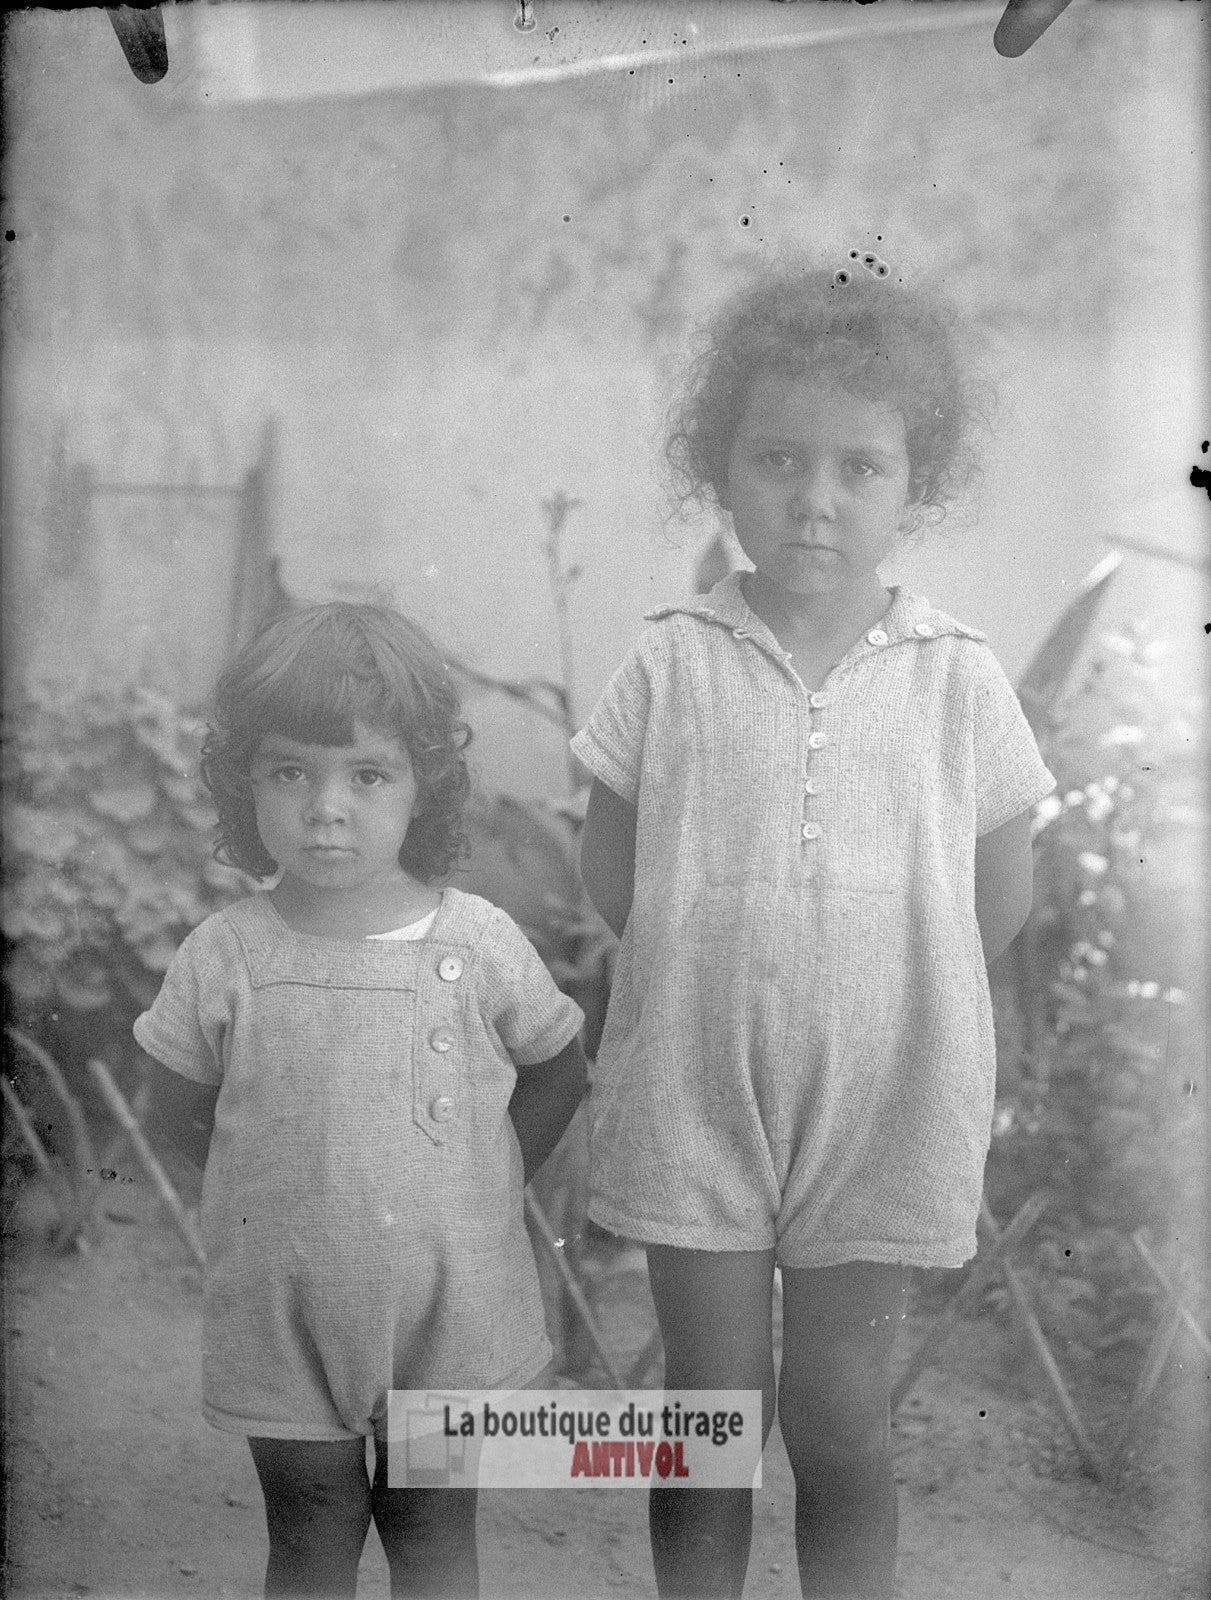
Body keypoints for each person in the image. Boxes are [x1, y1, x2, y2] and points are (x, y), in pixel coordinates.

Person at [572, 263, 1055, 1599]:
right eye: (777, 457)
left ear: (915, 484)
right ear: (716, 465)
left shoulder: (955, 677)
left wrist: (878, 980)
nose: (815, 496)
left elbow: (998, 891)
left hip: (882, 1098)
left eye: (859, 465)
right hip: (696, 1087)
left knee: (838, 1419)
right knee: (705, 1425)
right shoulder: (669, 658)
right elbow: (610, 866)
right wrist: (714, 957)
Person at [135, 601, 587, 1599]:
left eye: (366, 774)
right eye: (289, 771)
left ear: (421, 785)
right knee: (307, 1527)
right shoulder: (227, 955)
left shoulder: (478, 942)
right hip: (284, 1313)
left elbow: (559, 1066)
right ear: (241, 778)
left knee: (429, 1530)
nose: (324, 806)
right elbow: (173, 1109)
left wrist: (484, 1178)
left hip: (449, 1309)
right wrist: (275, 1189)